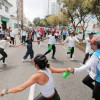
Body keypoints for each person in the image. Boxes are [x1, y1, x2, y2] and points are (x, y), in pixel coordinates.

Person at [0, 54, 69, 100]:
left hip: (48, 98)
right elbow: (58, 70)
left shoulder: (37, 76)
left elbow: (20, 88)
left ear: (36, 65)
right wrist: (67, 69)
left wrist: (5, 91)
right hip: (55, 95)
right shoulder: (49, 68)